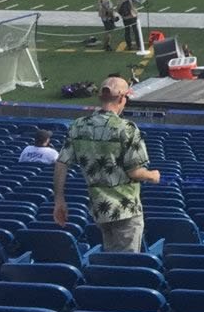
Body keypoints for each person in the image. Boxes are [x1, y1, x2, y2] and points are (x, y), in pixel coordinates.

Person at [54, 76, 160, 250]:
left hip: (99, 209)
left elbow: (61, 163)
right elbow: (134, 172)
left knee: (111, 260)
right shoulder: (126, 129)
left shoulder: (78, 126)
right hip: (126, 210)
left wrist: (59, 200)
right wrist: (152, 175)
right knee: (125, 268)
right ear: (121, 98)